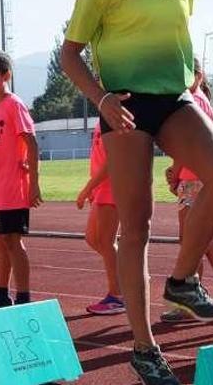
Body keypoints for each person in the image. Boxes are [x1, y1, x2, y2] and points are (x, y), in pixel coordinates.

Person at [59, 0, 213, 381]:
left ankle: (181, 280)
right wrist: (102, 100)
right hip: (126, 104)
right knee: (135, 226)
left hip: (173, 99)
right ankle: (144, 349)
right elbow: (70, 55)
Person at [161, 58, 213, 325]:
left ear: (198, 76)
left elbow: (186, 146)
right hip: (195, 178)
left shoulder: (192, 102)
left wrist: (175, 173)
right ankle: (190, 297)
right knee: (194, 243)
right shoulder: (197, 100)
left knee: (198, 242)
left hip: (195, 180)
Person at [0, 50, 42, 311]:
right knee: (0, 240)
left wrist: (34, 183)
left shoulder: (14, 104)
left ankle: (23, 298)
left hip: (13, 187)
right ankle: (1, 294)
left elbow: (31, 142)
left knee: (13, 240)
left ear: (6, 75)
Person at [76, 122, 124, 315]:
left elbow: (113, 160)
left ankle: (118, 295)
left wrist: (87, 188)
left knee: (105, 241)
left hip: (111, 185)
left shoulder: (114, 117)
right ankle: (128, 278)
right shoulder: (102, 117)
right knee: (93, 238)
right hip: (102, 187)